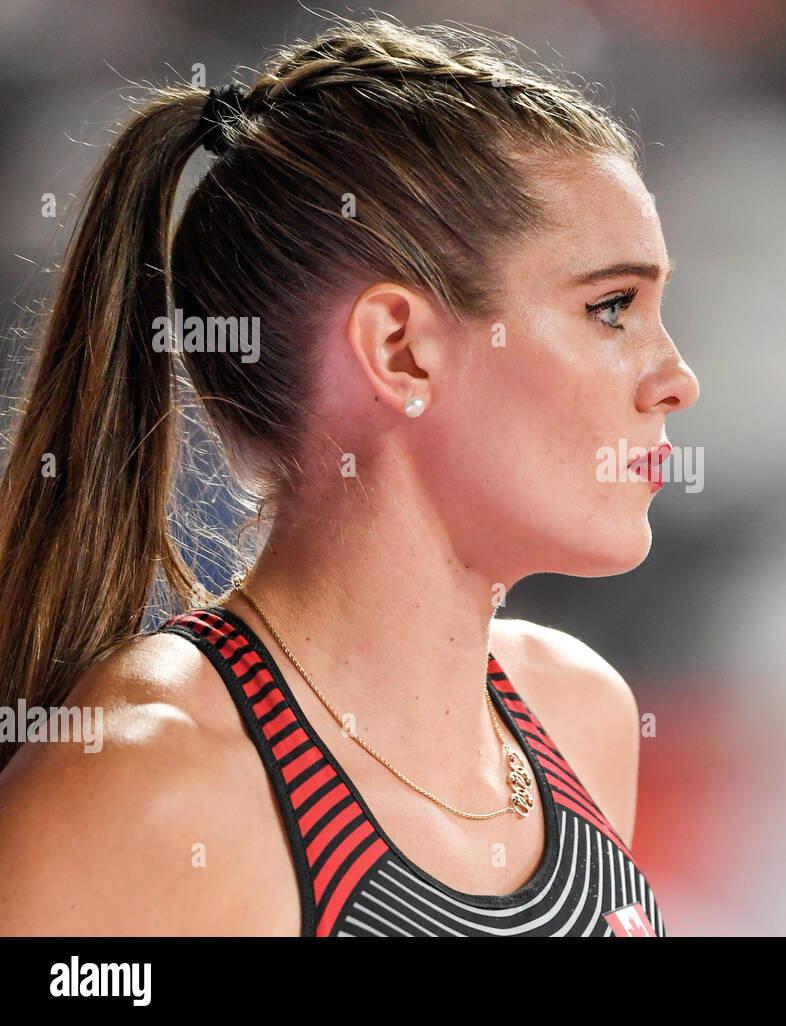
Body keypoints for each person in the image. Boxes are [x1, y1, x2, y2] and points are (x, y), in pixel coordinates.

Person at [0, 16, 698, 937]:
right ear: (400, 350)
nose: (677, 379)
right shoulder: (147, 785)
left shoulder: (576, 711)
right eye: (611, 308)